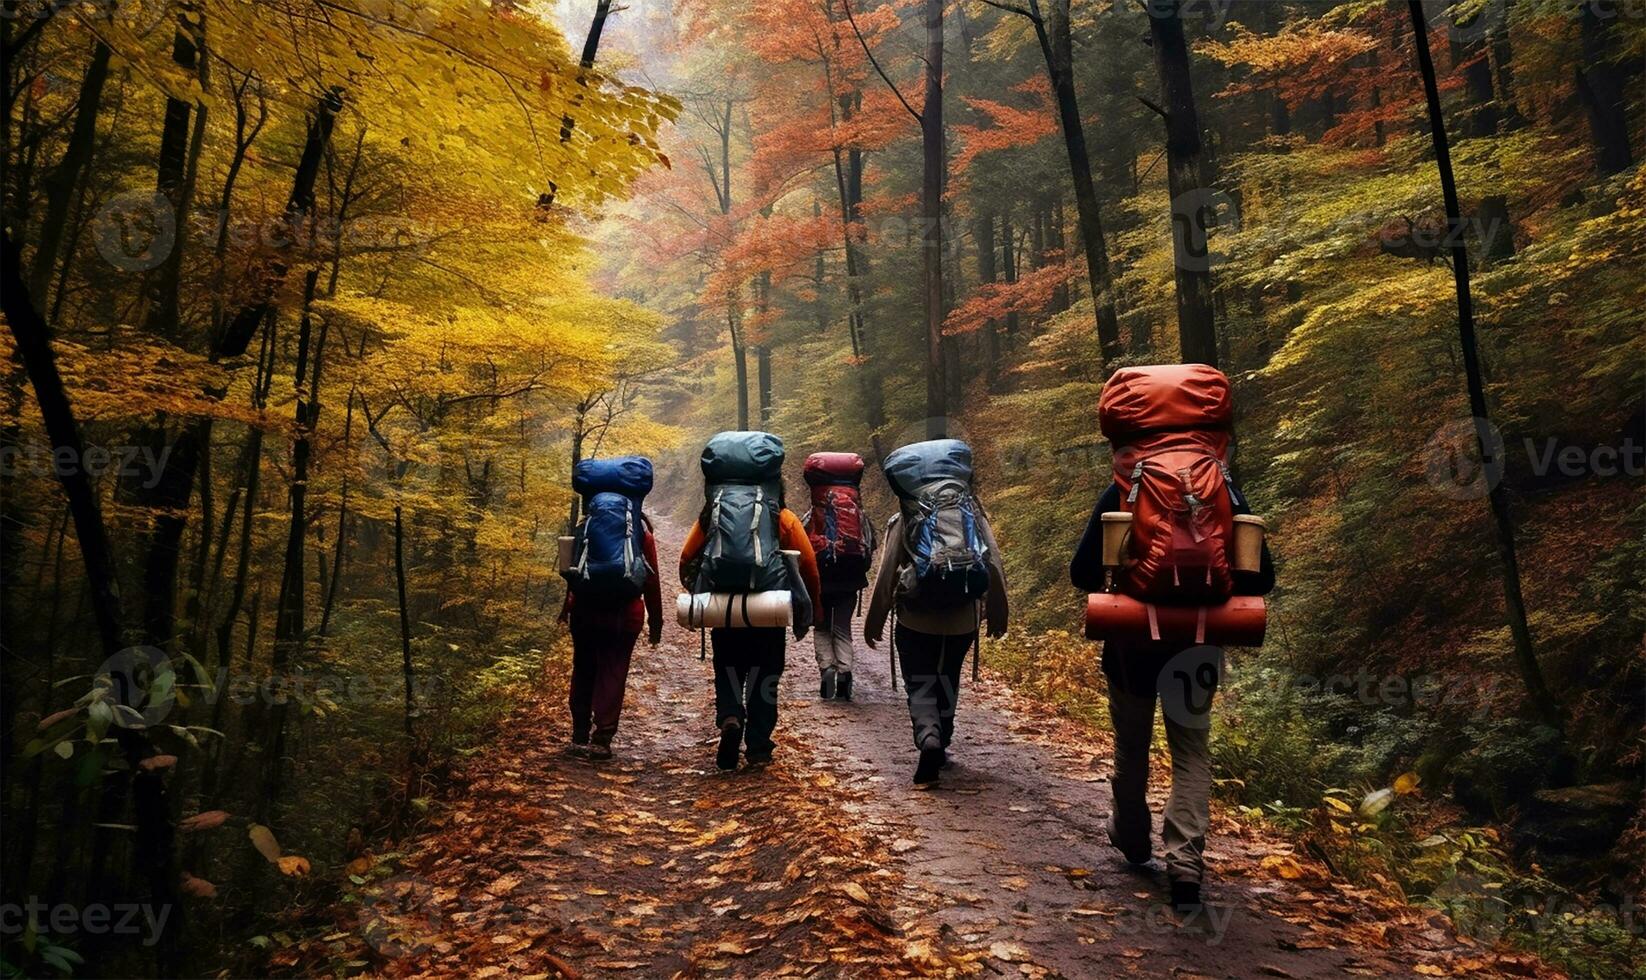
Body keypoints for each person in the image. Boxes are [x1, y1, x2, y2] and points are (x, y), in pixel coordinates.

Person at [1070, 479, 1275, 912]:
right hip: (1197, 648)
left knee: (1132, 746)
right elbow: (1263, 578)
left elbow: (1081, 573)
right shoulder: (1227, 493)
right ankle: (1185, 863)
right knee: (1191, 752)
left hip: (1132, 647)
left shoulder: (1125, 489)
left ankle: (1131, 836)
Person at [864, 439, 1008, 787]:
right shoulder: (971, 511)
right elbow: (993, 562)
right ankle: (942, 740)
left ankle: (928, 735)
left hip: (916, 616)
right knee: (948, 676)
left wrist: (876, 617)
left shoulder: (908, 515)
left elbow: (886, 573)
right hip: (963, 618)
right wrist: (999, 611)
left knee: (920, 680)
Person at [680, 432, 822, 771]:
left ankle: (730, 718)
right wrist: (810, 608)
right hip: (768, 608)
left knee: (728, 668)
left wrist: (699, 589)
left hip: (725, 610)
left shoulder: (711, 513)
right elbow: (809, 565)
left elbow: (687, 557)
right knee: (765, 676)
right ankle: (758, 747)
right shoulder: (781, 516)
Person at [558, 457, 664, 760]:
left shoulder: (583, 527)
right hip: (625, 613)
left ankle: (579, 733)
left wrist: (567, 606)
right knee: (613, 669)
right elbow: (652, 581)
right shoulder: (641, 534)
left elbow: (571, 570)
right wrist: (655, 622)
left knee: (585, 666)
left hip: (585, 609)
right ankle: (602, 737)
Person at [801, 452, 875, 701]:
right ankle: (845, 673)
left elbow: (801, 546)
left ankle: (827, 670)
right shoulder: (859, 514)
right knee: (842, 629)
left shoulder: (812, 514)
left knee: (821, 628)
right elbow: (870, 545)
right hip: (849, 580)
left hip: (819, 581)